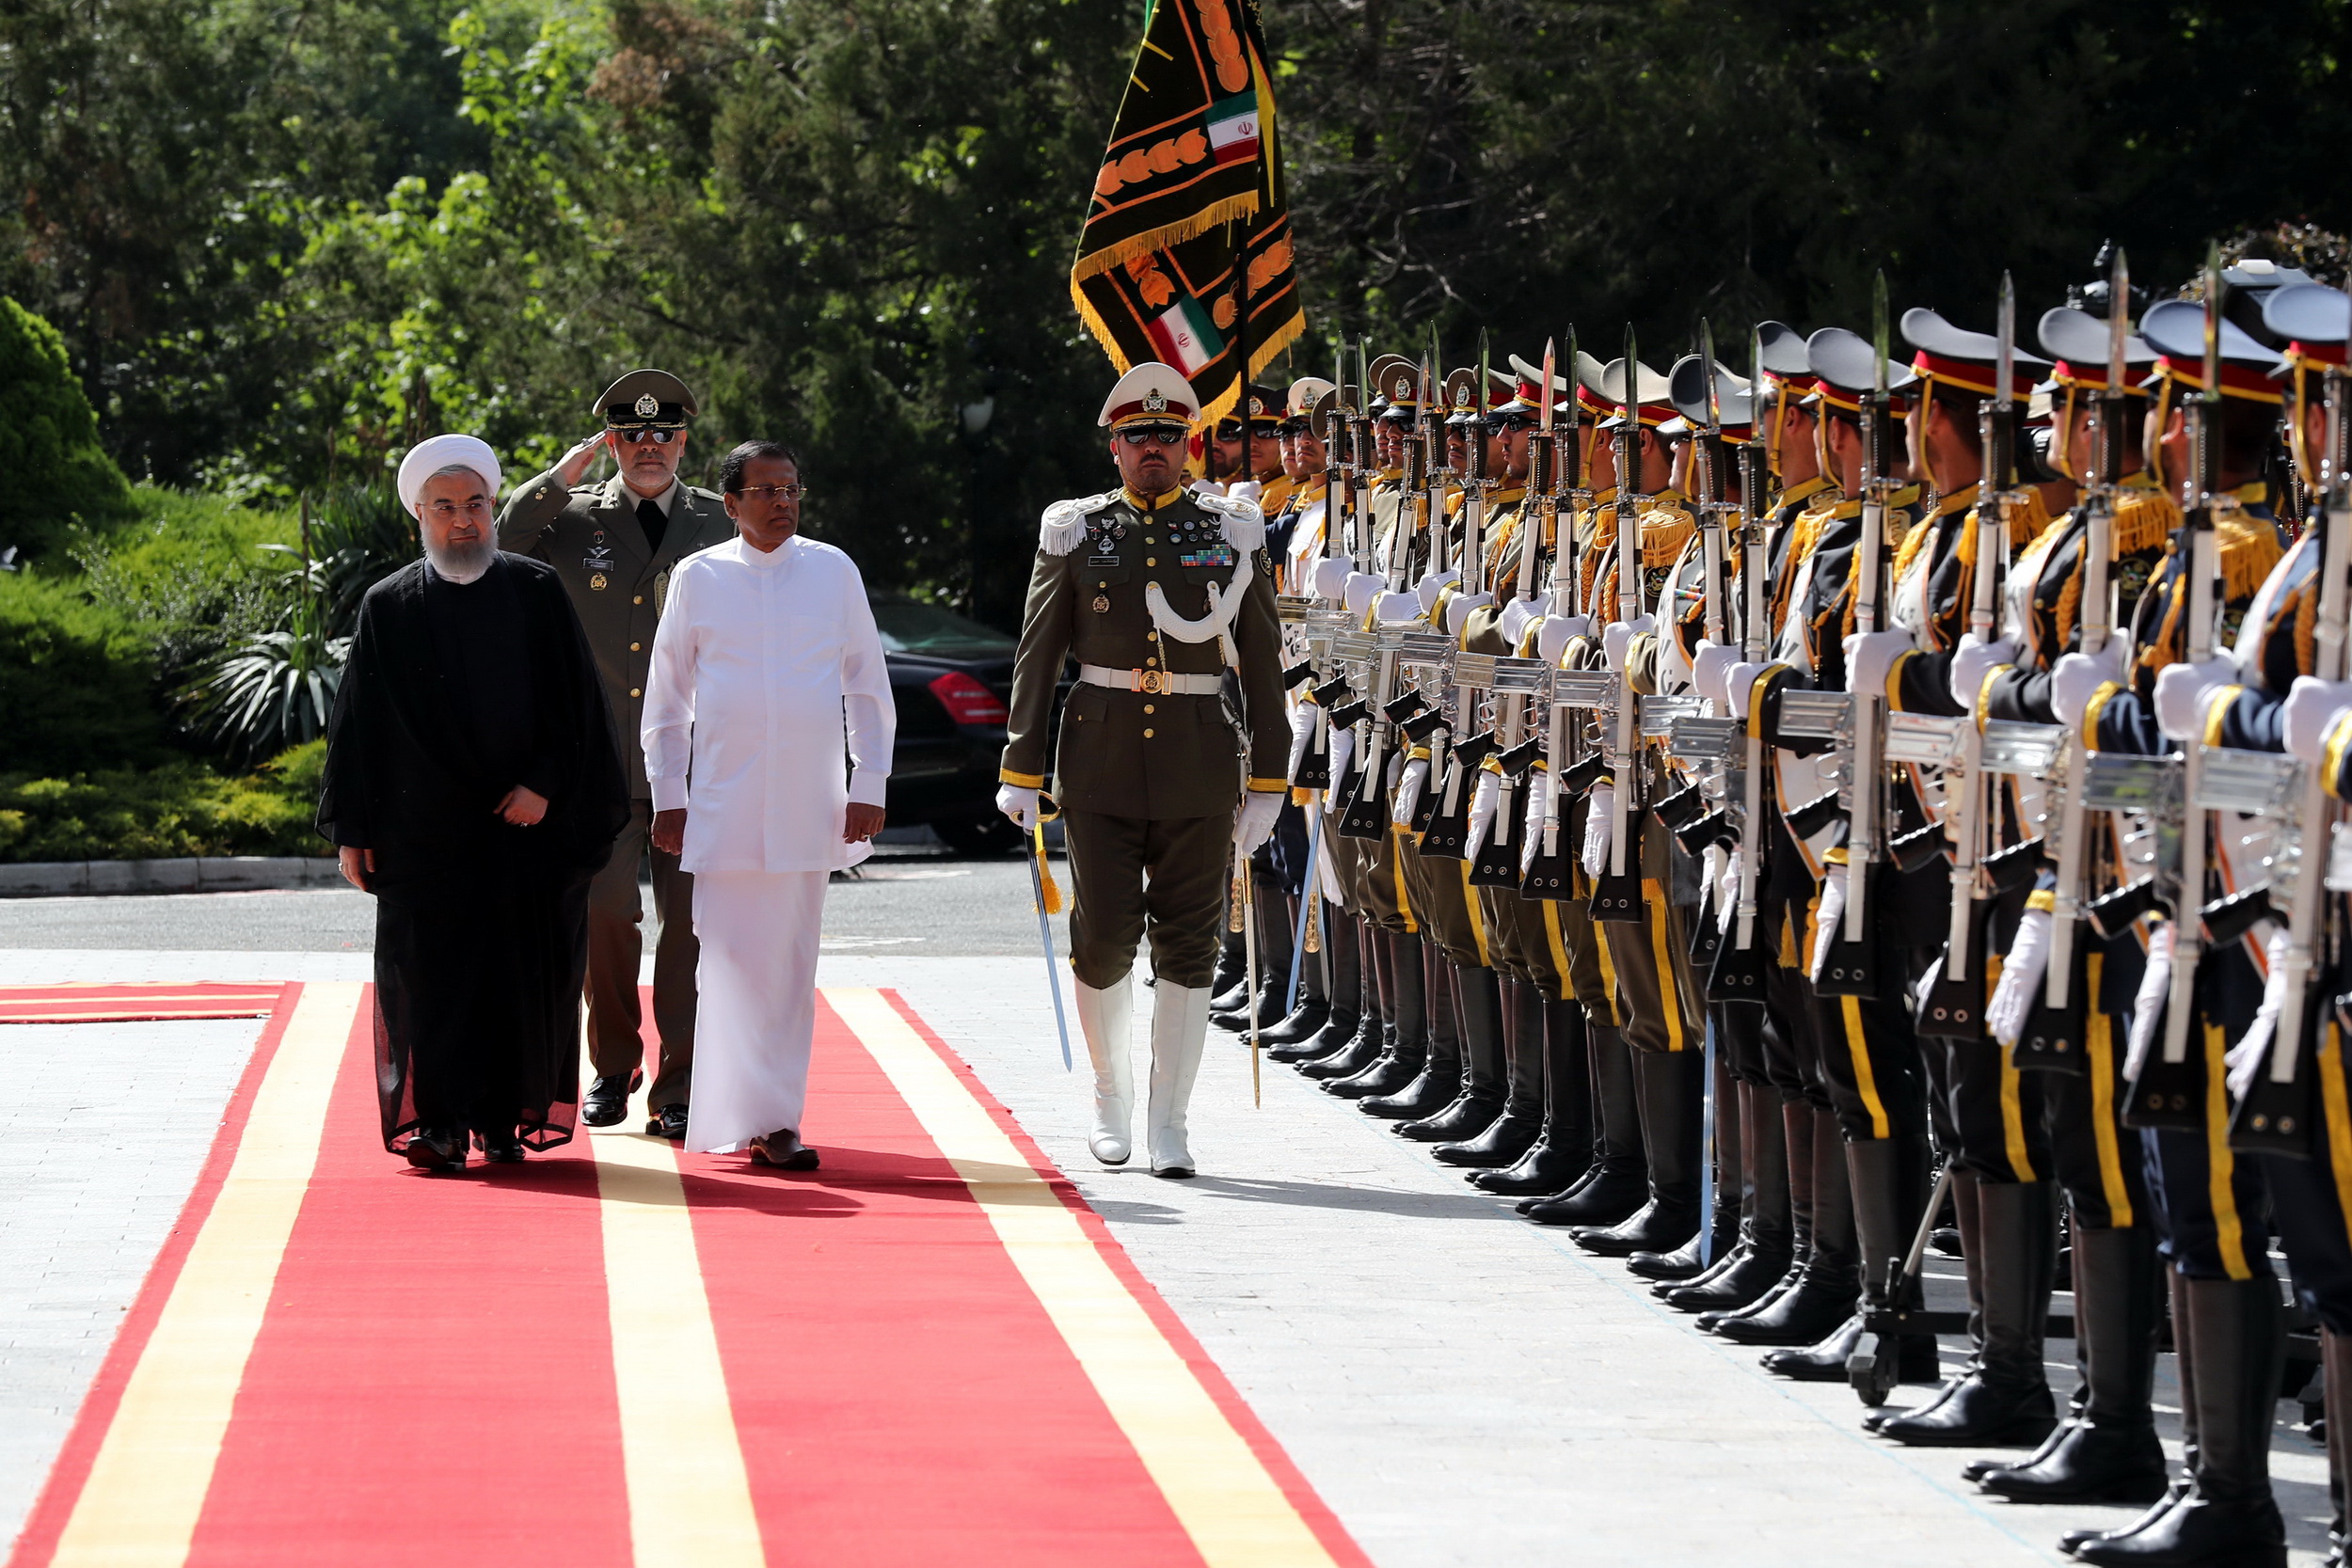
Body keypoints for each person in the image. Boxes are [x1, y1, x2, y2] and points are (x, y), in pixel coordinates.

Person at [996, 362, 1290, 1178]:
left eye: (1167, 435)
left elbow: (1261, 660)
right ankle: (1110, 1097)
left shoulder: (1228, 527)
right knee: (1102, 939)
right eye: (1138, 437)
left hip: (1199, 760)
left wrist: (1270, 778)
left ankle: (1172, 1122)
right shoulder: (1078, 530)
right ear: (1115, 448)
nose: (1153, 449)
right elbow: (1039, 652)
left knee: (1191, 946)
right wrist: (1021, 768)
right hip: (1099, 761)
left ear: (1187, 441)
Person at [320, 435, 629, 1173]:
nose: (464, 521)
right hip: (422, 838)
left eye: (476, 505)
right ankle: (439, 1123)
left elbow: (575, 707)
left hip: (522, 834)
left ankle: (503, 1120)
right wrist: (354, 831)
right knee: (429, 981)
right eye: (446, 508)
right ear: (419, 519)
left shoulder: (534, 590)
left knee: (520, 979)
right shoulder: (387, 605)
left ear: (493, 509)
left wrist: (547, 785)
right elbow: (357, 728)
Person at [640, 439, 894, 1169]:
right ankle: (728, 1110)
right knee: (723, 965)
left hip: (810, 806)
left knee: (788, 967)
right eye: (765, 490)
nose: (782, 501)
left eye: (791, 489)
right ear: (731, 503)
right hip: (723, 805)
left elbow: (867, 689)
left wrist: (868, 783)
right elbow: (666, 698)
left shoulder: (833, 570)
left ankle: (778, 1121)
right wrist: (669, 794)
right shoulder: (699, 576)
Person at [497, 369, 736, 1141]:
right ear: (612, 444)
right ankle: (611, 1065)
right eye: (631, 435)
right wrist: (561, 476)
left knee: (690, 926)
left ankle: (681, 1085)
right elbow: (504, 542)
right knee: (606, 915)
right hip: (600, 762)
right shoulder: (572, 518)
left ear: (684, 442)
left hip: (698, 764)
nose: (649, 448)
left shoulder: (717, 518)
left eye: (664, 434)